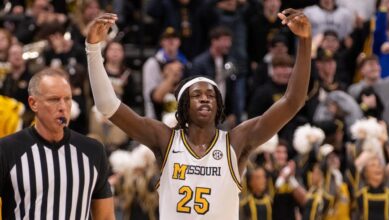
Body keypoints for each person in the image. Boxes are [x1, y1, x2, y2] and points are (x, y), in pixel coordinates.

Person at [86, 9, 311, 219]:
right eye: (197, 95)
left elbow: (293, 102)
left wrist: (305, 41)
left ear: (219, 105)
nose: (205, 98)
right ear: (183, 105)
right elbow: (108, 105)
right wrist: (93, 49)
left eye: (211, 95)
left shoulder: (236, 141)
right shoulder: (165, 139)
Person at [0, 68, 114, 219]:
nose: (62, 107)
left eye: (67, 99)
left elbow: (105, 217)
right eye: (54, 99)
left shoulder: (93, 150)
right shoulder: (7, 149)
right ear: (33, 103)